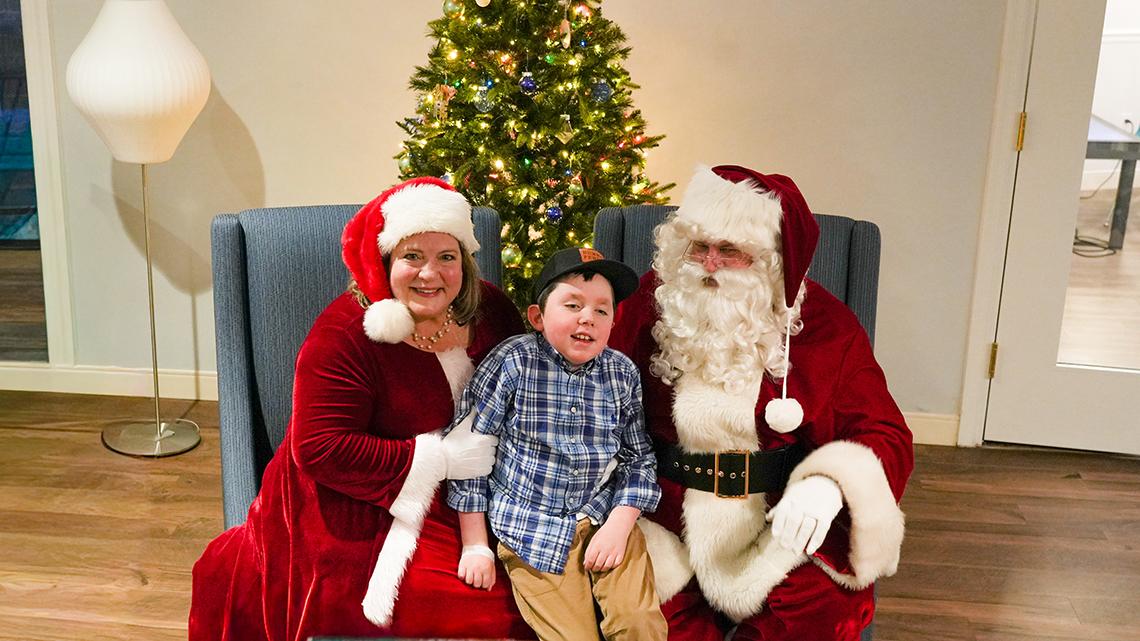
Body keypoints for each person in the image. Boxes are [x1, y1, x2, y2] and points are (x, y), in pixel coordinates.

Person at [189, 177, 536, 641]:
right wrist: (442, 459)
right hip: (359, 500)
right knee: (481, 612)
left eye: (446, 257)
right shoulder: (346, 334)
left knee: (549, 582)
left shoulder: (489, 307)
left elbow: (530, 384)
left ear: (464, 263)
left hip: (481, 489)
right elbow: (318, 448)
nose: (430, 273)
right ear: (385, 260)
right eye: (412, 256)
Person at [609, 165, 914, 641]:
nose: (708, 263)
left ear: (772, 261)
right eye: (698, 246)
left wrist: (829, 486)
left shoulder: (825, 325)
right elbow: (588, 393)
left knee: (820, 613)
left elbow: (884, 433)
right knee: (637, 621)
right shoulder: (651, 302)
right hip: (663, 520)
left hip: (778, 523)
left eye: (729, 251)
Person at [445, 247, 667, 641]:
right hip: (532, 526)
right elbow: (469, 452)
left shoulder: (621, 373)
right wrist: (475, 544)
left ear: (613, 323)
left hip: (604, 513)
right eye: (572, 304)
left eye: (602, 310)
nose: (588, 317)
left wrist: (620, 522)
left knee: (640, 624)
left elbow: (639, 458)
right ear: (537, 317)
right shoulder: (513, 362)